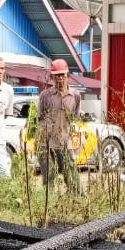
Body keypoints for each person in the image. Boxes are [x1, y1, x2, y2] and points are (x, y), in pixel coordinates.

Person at [36, 58, 81, 194]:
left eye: (63, 75)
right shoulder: (45, 96)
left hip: (64, 142)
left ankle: (77, 200)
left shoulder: (75, 95)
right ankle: (48, 205)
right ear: (52, 77)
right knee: (49, 177)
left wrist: (75, 144)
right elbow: (40, 118)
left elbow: (75, 119)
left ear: (67, 75)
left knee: (70, 174)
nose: (60, 79)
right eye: (57, 76)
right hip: (45, 143)